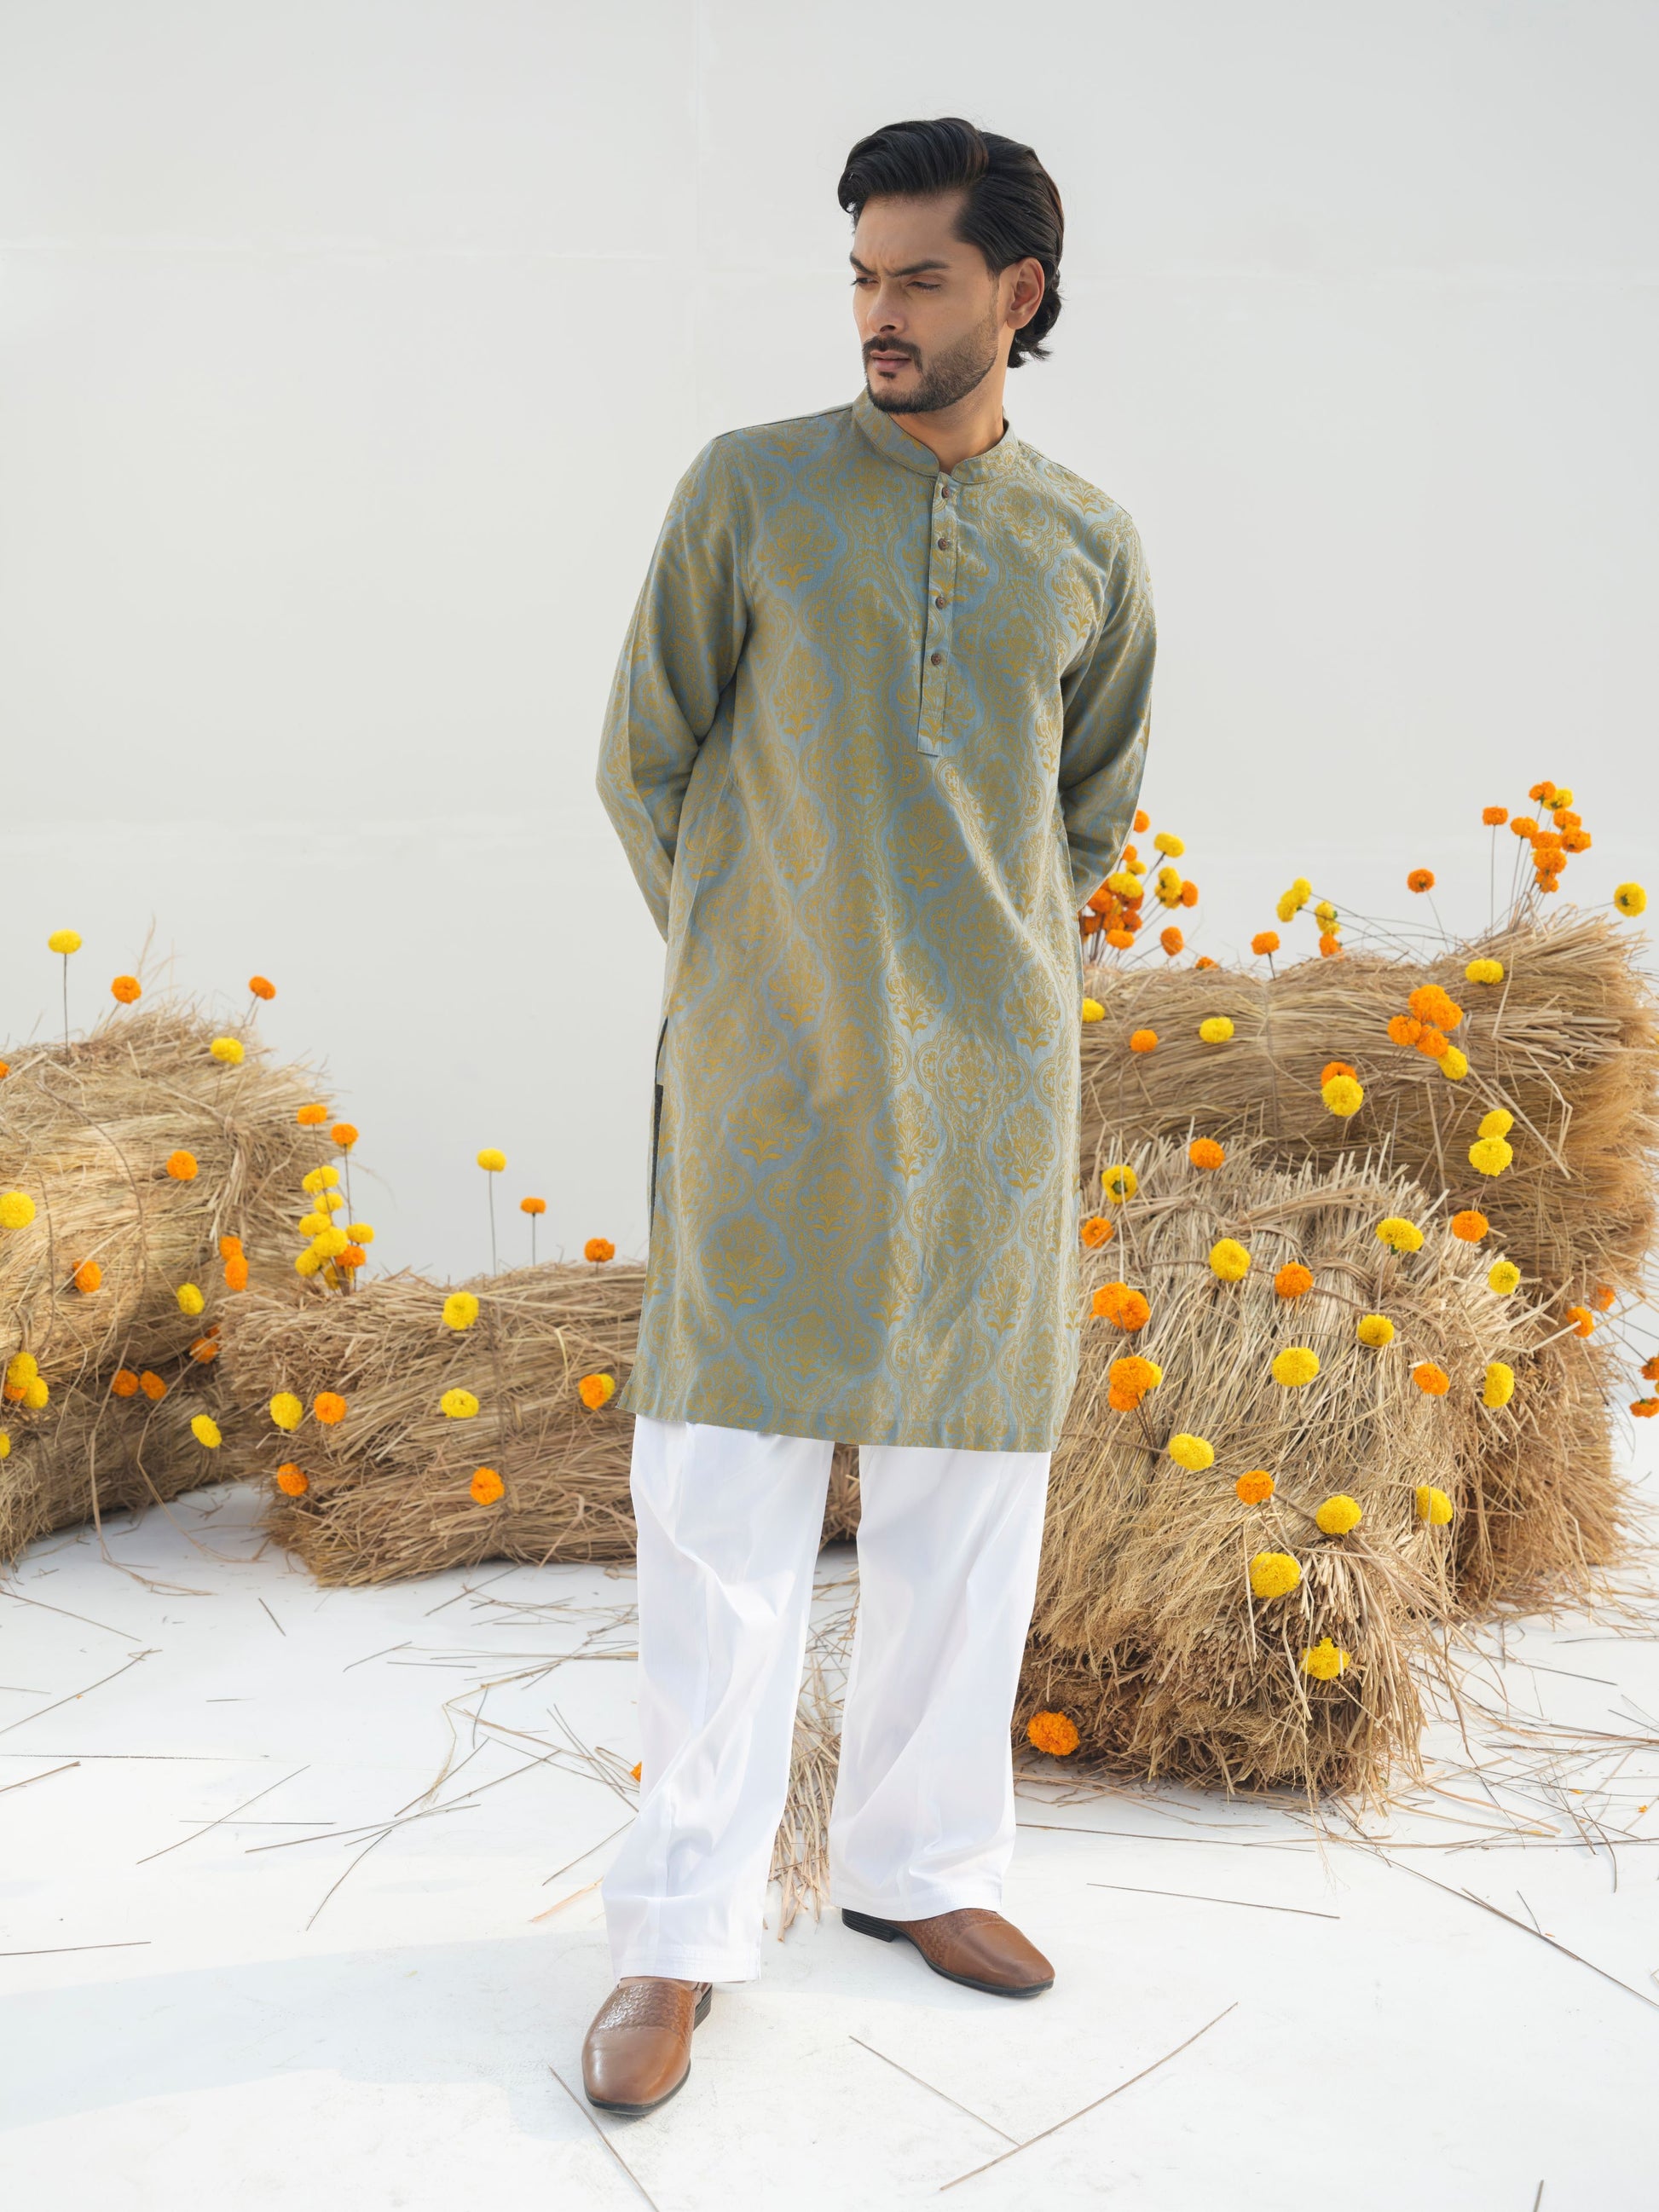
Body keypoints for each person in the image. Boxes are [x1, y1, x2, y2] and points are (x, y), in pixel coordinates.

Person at [586, 114, 1156, 2116]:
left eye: (918, 276)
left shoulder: (1084, 541)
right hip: (771, 1077)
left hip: (991, 1091)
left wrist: (978, 984)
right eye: (860, 275)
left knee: (965, 1498)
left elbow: (1087, 809)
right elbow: (642, 756)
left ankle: (922, 1866)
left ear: (1017, 291)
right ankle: (679, 1925)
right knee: (718, 1503)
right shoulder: (747, 491)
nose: (877, 312)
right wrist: (754, 965)